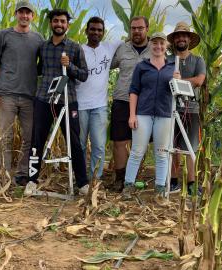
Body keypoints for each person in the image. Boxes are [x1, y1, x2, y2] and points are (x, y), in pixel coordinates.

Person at [28, 9, 89, 195]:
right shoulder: (43, 47)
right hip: (44, 100)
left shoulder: (75, 47)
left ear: (67, 25)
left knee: (74, 142)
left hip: (67, 101)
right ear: (51, 23)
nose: (59, 24)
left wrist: (69, 66)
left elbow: (84, 75)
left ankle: (82, 183)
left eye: (63, 21)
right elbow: (38, 70)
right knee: (37, 140)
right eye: (56, 21)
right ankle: (32, 180)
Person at [0, 1, 44, 185]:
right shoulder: (4, 35)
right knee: (5, 137)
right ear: (16, 14)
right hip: (6, 94)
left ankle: (21, 175)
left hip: (29, 96)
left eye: (28, 13)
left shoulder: (38, 39)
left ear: (33, 16)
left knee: (29, 137)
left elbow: (43, 66)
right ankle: (4, 177)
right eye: (21, 12)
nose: (25, 16)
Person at [122, 32, 181, 199]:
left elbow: (178, 93)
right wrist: (132, 115)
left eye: (162, 43)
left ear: (166, 46)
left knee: (162, 153)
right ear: (150, 45)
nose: (158, 46)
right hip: (143, 114)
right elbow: (134, 91)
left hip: (165, 114)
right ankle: (128, 186)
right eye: (155, 43)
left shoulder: (173, 67)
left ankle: (160, 189)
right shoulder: (142, 67)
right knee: (137, 151)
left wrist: (178, 80)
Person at [76, 17, 122, 180]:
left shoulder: (109, 47)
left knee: (99, 146)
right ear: (86, 31)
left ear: (103, 33)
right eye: (93, 29)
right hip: (80, 105)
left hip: (100, 106)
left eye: (99, 30)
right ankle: (81, 179)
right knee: (79, 145)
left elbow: (131, 39)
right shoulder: (78, 50)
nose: (96, 32)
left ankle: (95, 179)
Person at [110, 16, 150, 192]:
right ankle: (120, 178)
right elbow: (106, 66)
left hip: (145, 103)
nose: (136, 31)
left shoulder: (155, 49)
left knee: (139, 143)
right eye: (133, 28)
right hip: (122, 99)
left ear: (147, 29)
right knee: (119, 141)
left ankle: (133, 178)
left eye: (140, 28)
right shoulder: (122, 49)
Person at [167, 22, 206, 195]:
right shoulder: (168, 60)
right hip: (170, 108)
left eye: (184, 35)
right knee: (173, 146)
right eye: (178, 35)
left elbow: (199, 81)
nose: (181, 38)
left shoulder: (198, 60)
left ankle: (191, 183)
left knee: (191, 147)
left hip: (191, 108)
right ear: (174, 39)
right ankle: (173, 181)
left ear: (189, 39)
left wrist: (178, 81)